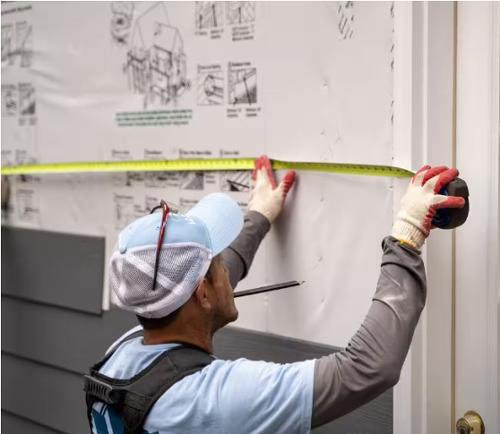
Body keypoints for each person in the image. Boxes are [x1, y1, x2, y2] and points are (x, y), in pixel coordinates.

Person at [85, 156, 465, 434]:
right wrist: (406, 237)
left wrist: (259, 215)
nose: (225, 270)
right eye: (217, 264)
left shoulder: (125, 353)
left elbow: (195, 286)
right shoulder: (214, 401)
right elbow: (367, 368)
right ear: (202, 294)